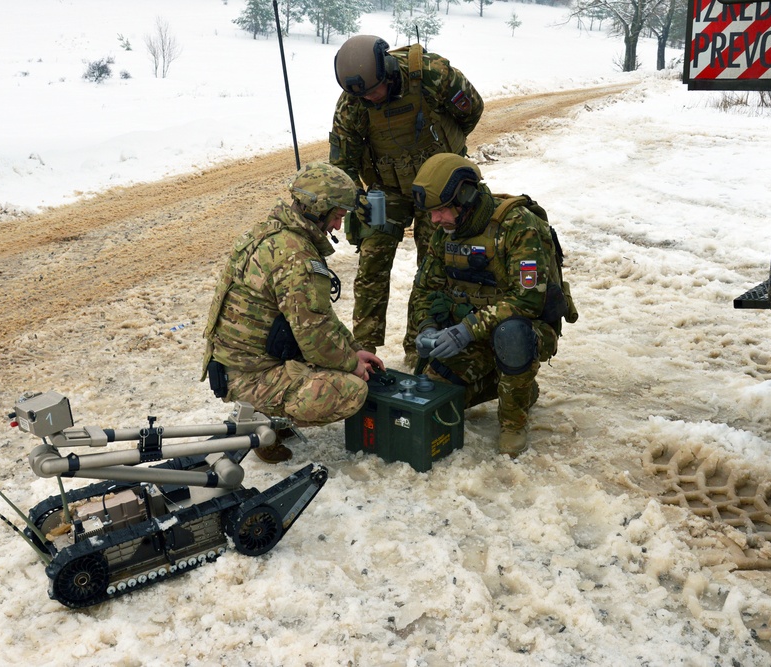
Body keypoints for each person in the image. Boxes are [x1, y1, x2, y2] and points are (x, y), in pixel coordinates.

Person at [201, 162, 385, 464]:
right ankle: (264, 423)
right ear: (319, 209)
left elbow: (318, 316)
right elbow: (312, 336)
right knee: (352, 390)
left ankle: (269, 409)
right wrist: (352, 365)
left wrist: (354, 349)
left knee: (336, 360)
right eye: (337, 216)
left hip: (238, 363)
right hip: (247, 376)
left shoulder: (273, 233)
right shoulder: (296, 256)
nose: (338, 226)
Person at [409, 154, 577, 458]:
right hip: (471, 333)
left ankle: (514, 419)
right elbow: (425, 289)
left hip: (526, 330)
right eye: (431, 213)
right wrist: (428, 327)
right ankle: (519, 390)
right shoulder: (444, 234)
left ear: (465, 196)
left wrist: (466, 330)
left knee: (510, 334)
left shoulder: (518, 226)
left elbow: (527, 299)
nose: (435, 220)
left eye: (441, 211)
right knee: (435, 400)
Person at [330, 34, 483, 362]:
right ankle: (364, 351)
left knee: (434, 265)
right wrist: (355, 201)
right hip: (387, 190)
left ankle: (422, 346)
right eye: (363, 96)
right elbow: (342, 162)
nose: (370, 99)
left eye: (374, 91)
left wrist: (443, 152)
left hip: (440, 189)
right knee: (373, 259)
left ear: (387, 72)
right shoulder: (353, 103)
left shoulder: (432, 75)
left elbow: (471, 111)